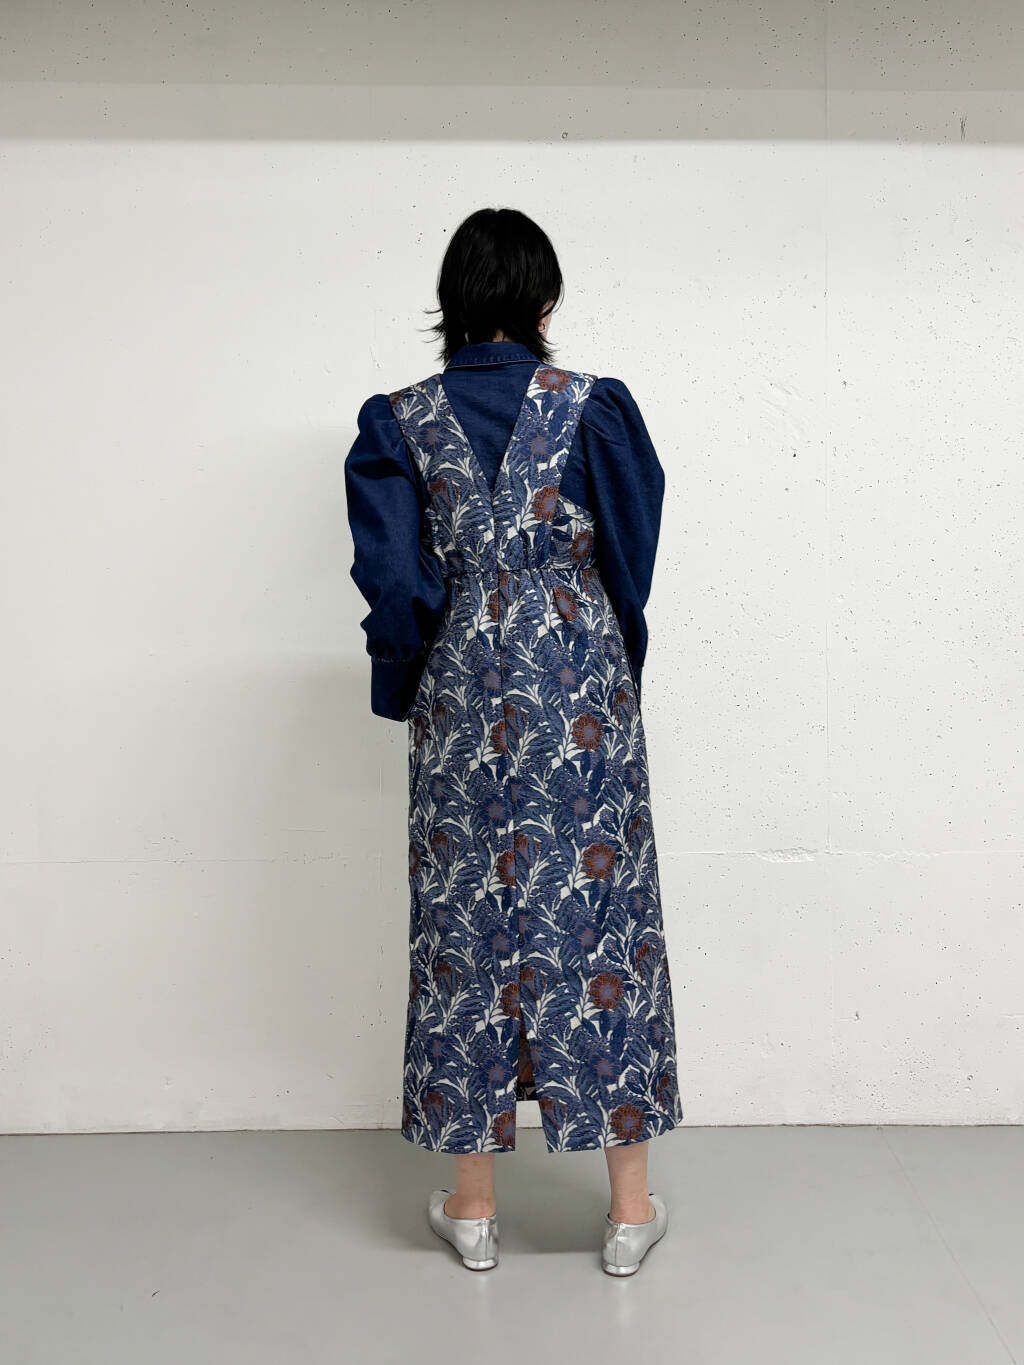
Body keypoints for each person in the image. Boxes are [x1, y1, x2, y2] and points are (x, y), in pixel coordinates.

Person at [344, 207, 683, 1276]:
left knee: (466, 932)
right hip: (578, 694)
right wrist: (601, 650)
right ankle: (627, 1212)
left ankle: (474, 1207)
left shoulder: (399, 423)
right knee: (601, 926)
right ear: (545, 302)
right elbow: (631, 552)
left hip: (460, 700)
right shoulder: (594, 410)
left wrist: (413, 678)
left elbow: (394, 586)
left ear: (449, 304)